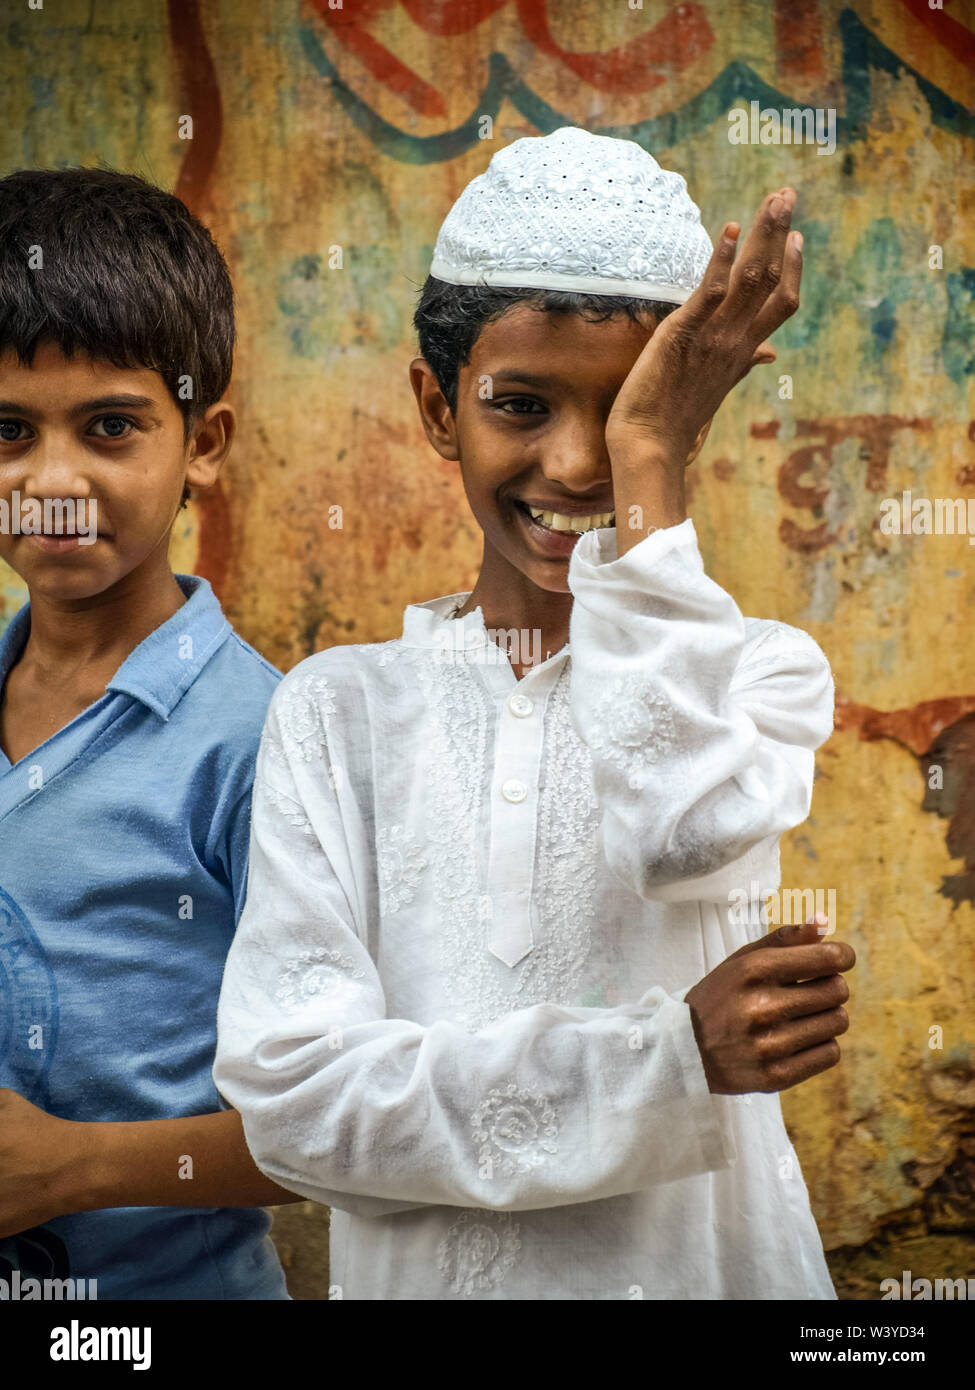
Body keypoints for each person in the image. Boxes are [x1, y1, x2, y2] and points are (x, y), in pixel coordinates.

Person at [213, 126, 855, 1300]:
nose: (573, 464)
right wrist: (667, 1063)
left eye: (625, 416)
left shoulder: (760, 673)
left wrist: (650, 456)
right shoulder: (337, 713)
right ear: (435, 405)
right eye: (520, 404)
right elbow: (295, 1107)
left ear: (686, 415)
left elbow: (681, 836)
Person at [0, 167, 298, 1299]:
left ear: (204, 442)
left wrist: (74, 1167)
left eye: (111, 426)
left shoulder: (262, 741)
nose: (52, 479)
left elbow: (330, 1123)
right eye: (8, 430)